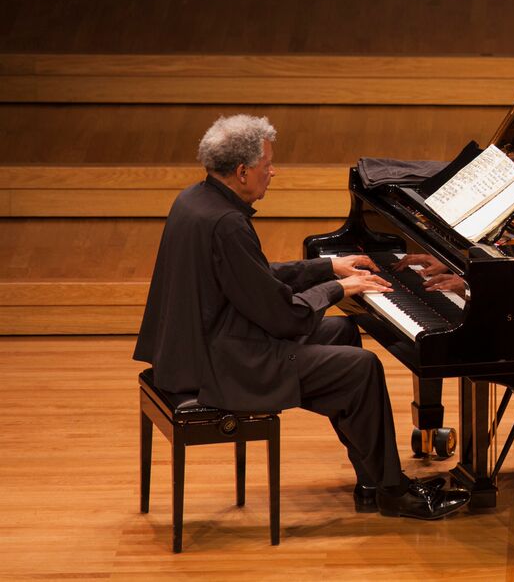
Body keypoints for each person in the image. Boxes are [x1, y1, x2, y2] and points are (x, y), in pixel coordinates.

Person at [133, 114, 469, 520]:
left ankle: (371, 480)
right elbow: (282, 317)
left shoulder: (196, 200)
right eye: (266, 165)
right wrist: (338, 289)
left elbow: (253, 279)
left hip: (201, 344)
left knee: (343, 330)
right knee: (360, 368)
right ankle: (393, 492)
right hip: (220, 365)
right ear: (242, 172)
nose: (272, 173)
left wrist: (329, 268)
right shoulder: (228, 224)